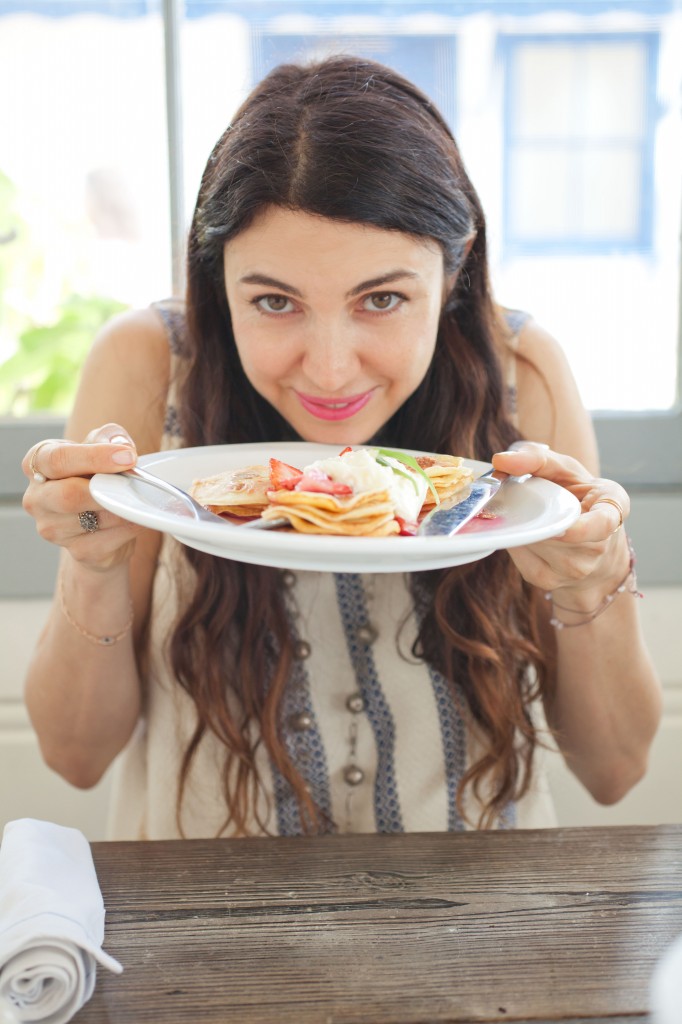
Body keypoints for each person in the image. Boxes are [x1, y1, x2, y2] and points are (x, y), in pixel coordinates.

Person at [21, 56, 661, 840]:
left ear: (455, 270)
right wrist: (94, 563)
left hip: (479, 930)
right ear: (217, 279)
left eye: (383, 299)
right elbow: (75, 756)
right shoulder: (147, 368)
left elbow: (615, 769)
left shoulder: (524, 378)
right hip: (211, 927)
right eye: (274, 302)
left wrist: (590, 580)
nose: (329, 369)